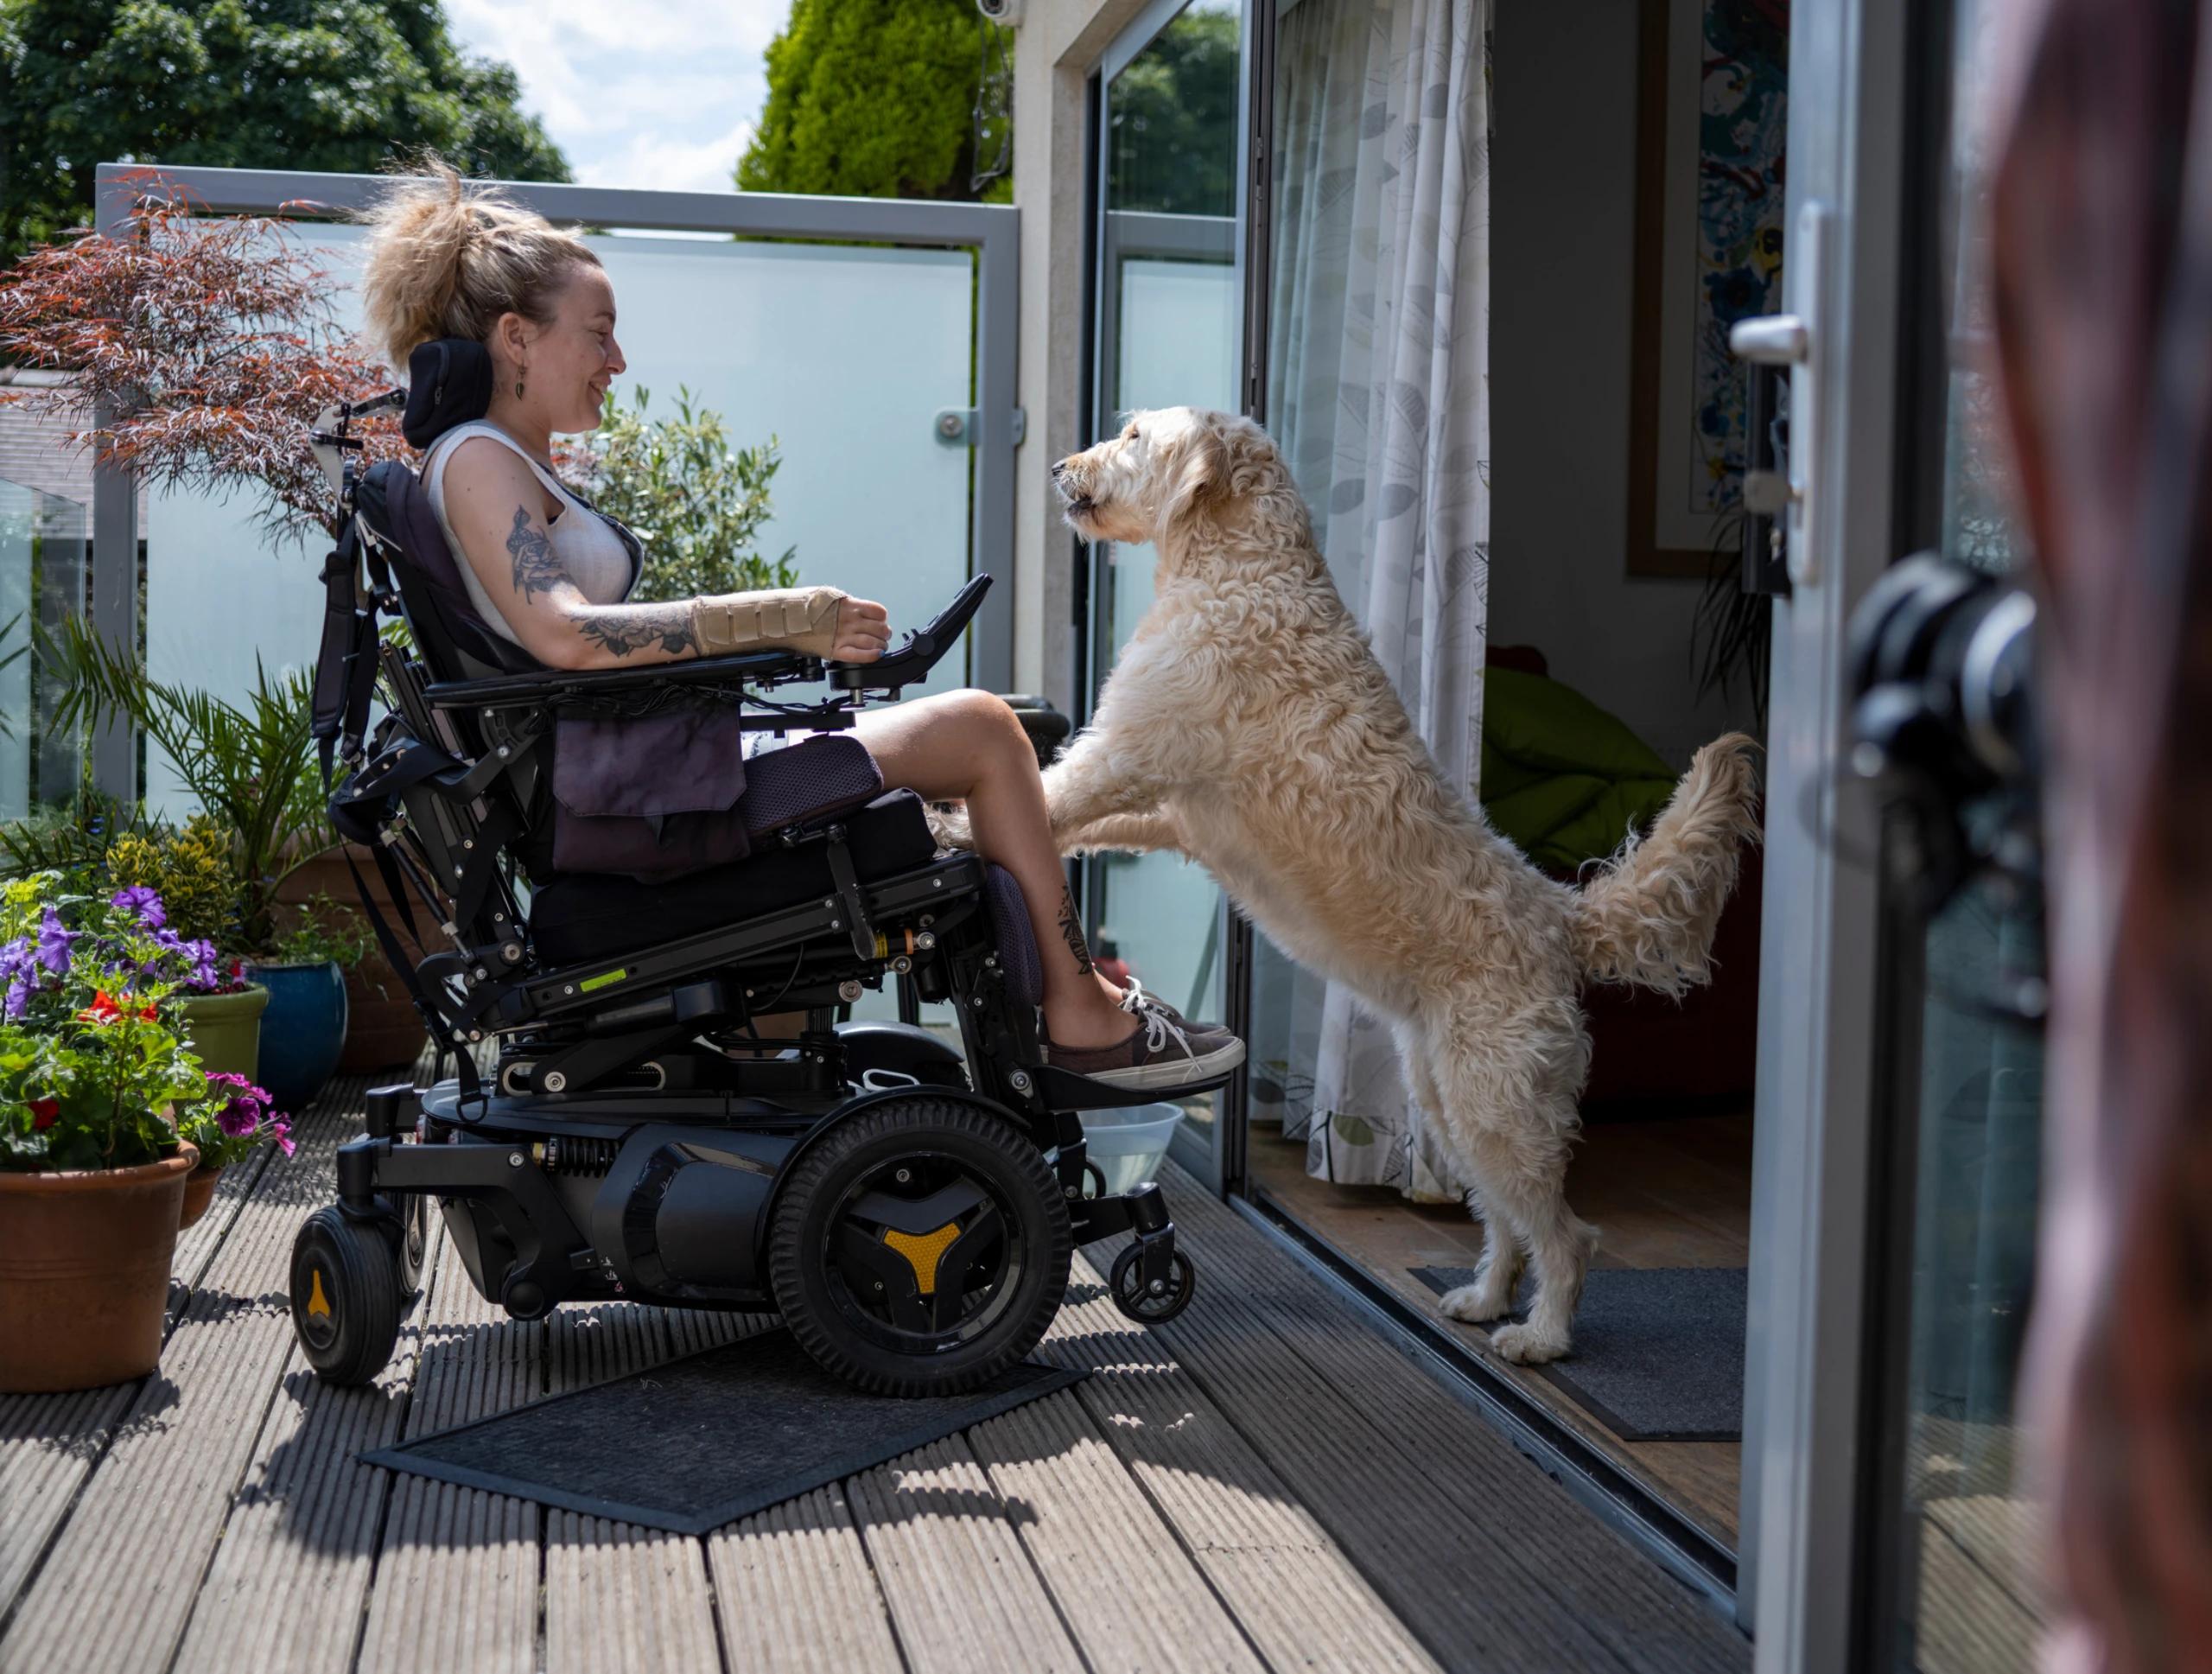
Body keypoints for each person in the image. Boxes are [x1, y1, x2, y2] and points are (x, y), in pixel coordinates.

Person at [357, 158, 1241, 1096]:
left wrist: (777, 636)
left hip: (629, 783)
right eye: (600, 334)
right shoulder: (479, 461)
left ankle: (1069, 1008)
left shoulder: (491, 458)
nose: (617, 361)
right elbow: (567, 637)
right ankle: (1082, 1019)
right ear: (516, 339)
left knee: (969, 751)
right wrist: (788, 617)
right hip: (627, 807)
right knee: (983, 727)